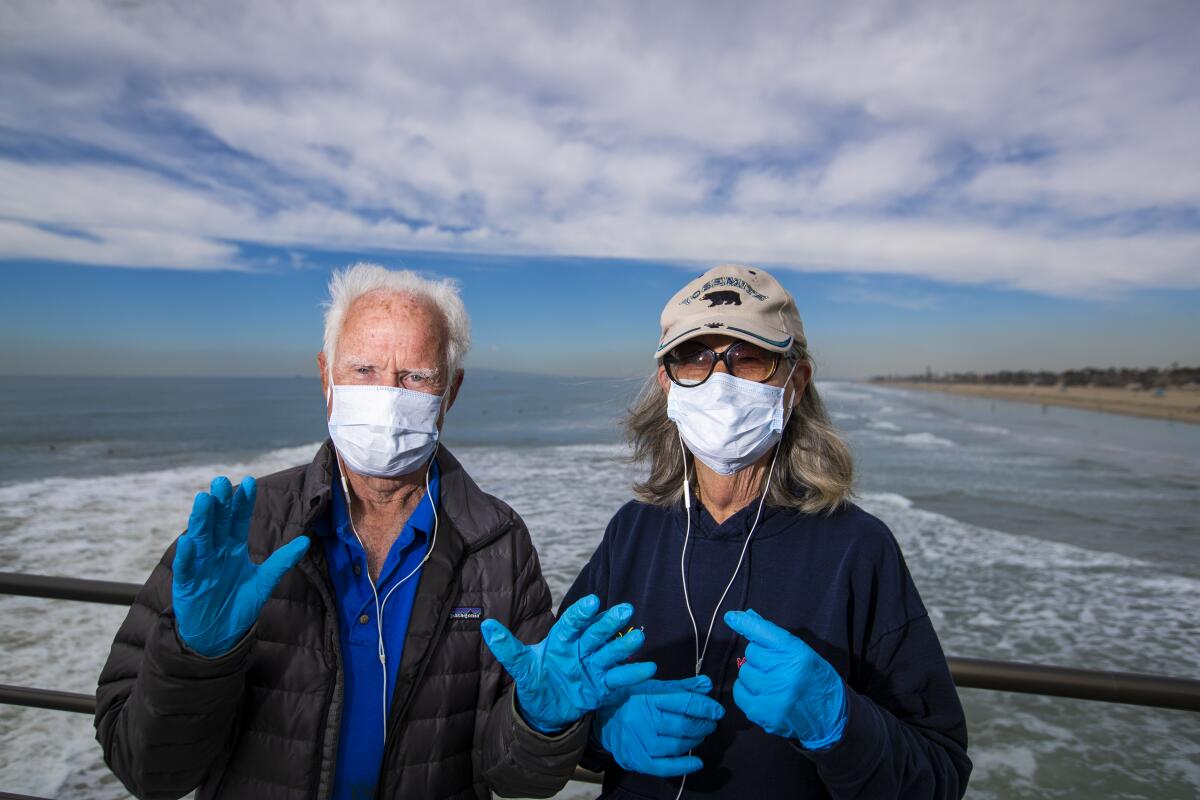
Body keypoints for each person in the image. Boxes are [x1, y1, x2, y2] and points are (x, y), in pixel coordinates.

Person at [95, 263, 653, 799]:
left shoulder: (498, 544)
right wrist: (197, 657)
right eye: (364, 370)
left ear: (450, 392)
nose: (388, 394)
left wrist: (540, 724)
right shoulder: (243, 530)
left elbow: (519, 780)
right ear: (326, 377)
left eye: (415, 376)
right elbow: (147, 771)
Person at [563, 264, 972, 798]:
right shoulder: (632, 532)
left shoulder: (857, 548)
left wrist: (840, 725)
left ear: (794, 383)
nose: (721, 380)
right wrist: (600, 726)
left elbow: (939, 776)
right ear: (668, 384)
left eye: (749, 359)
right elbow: (559, 698)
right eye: (695, 357)